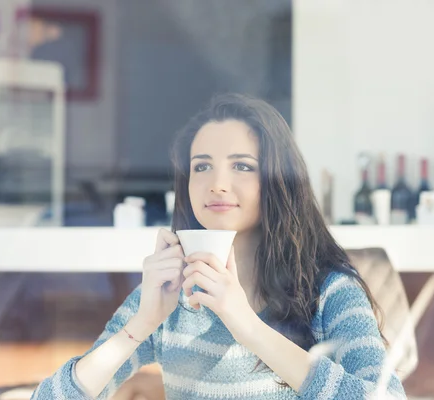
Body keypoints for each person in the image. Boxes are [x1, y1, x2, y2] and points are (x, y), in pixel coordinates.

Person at [31, 93, 407, 399]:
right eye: (201, 166)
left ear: (278, 181)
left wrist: (247, 326)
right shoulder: (169, 296)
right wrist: (141, 324)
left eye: (242, 166)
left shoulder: (331, 292)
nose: (217, 183)